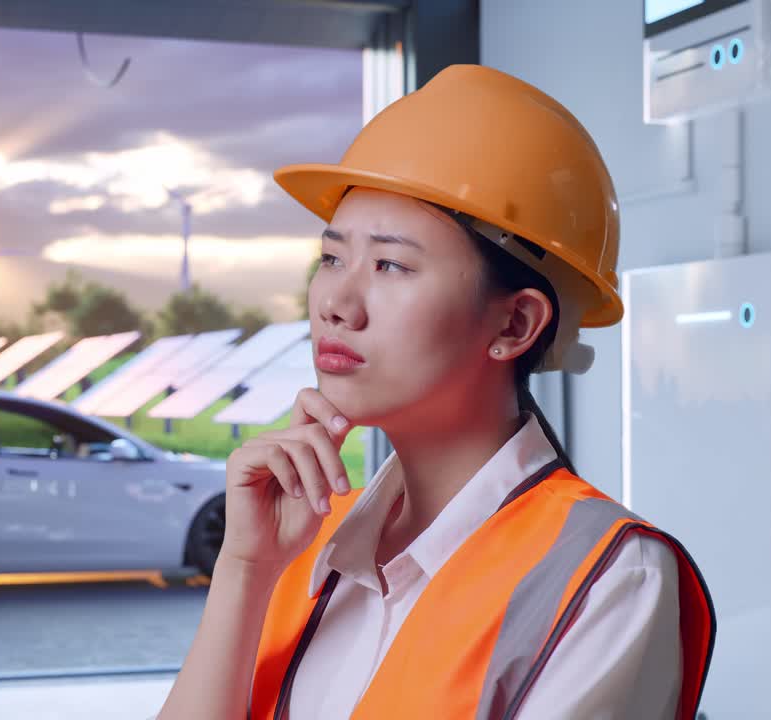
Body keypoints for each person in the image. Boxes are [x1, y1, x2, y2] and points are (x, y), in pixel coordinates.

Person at [157, 64, 714, 720]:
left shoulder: (610, 578)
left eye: (391, 265)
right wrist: (245, 569)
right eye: (332, 258)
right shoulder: (304, 536)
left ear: (515, 324)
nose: (336, 303)